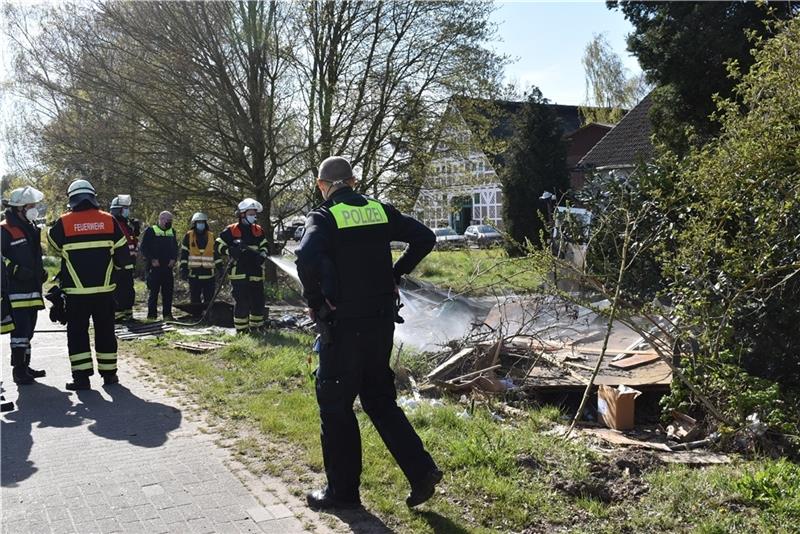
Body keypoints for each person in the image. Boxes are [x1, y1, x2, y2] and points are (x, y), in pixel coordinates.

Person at [295, 156, 442, 510]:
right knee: (379, 400)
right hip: (380, 324)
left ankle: (342, 494)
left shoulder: (324, 217)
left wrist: (316, 301)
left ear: (322, 185)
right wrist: (396, 274)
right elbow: (425, 237)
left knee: (335, 406)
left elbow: (304, 257)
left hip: (343, 326)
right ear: (354, 182)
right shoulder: (380, 210)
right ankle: (421, 471)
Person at [47, 179, 131, 390]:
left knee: (77, 333)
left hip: (76, 292)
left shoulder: (63, 223)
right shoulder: (109, 220)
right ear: (92, 197)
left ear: (72, 199)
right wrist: (116, 275)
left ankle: (82, 379)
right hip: (104, 291)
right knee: (105, 331)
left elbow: (53, 245)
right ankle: (110, 375)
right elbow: (122, 256)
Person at [1, 186, 47, 385]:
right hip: (15, 290)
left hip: (32, 289)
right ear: (20, 208)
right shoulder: (4, 229)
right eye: (31, 206)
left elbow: (34, 256)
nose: (34, 208)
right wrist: (16, 270)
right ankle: (18, 371)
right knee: (19, 332)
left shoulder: (30, 227)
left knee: (28, 331)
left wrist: (40, 271)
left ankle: (25, 366)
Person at [216, 199, 268, 334]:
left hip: (255, 272)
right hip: (239, 273)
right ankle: (242, 331)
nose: (254, 216)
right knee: (242, 303)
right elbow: (217, 245)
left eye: (255, 213)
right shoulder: (231, 230)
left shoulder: (258, 230)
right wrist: (230, 251)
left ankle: (257, 328)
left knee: (258, 302)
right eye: (251, 213)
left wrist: (262, 254)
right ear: (242, 214)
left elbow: (265, 246)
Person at [179, 212, 222, 312]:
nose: (201, 224)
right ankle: (196, 316)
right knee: (195, 298)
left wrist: (220, 268)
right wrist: (183, 269)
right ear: (194, 223)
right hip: (194, 274)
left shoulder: (211, 236)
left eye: (202, 222)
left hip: (209, 275)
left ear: (205, 223)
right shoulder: (188, 236)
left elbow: (216, 254)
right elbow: (184, 255)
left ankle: (208, 316)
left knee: (209, 298)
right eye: (198, 222)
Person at [139, 211, 178, 320]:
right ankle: (151, 316)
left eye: (171, 220)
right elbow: (144, 248)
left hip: (168, 267)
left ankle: (167, 315)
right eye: (168, 220)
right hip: (154, 267)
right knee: (153, 292)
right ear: (161, 219)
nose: (169, 222)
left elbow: (175, 248)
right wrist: (152, 259)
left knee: (168, 292)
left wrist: (174, 259)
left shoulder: (172, 231)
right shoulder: (151, 231)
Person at [109, 195, 139, 322]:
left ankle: (127, 315)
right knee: (119, 292)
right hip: (118, 266)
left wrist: (135, 231)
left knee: (128, 292)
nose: (127, 211)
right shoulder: (113, 225)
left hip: (128, 266)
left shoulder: (126, 225)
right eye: (124, 208)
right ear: (118, 210)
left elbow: (132, 243)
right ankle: (118, 316)